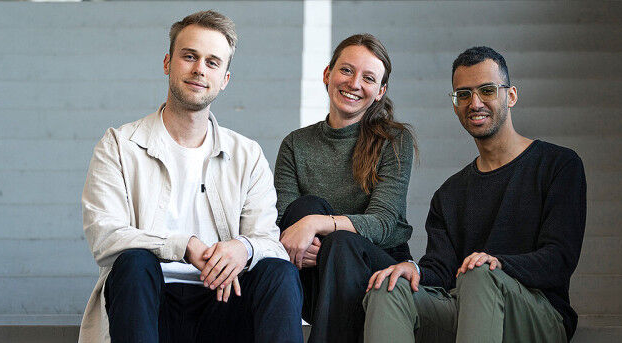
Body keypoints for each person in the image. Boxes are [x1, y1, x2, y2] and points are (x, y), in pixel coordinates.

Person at [78, 10, 302, 343]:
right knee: (134, 263)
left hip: (224, 304)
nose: (199, 69)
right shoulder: (119, 145)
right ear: (168, 62)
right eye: (190, 56)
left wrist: (243, 249)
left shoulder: (247, 154)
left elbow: (269, 242)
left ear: (224, 79)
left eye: (213, 62)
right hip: (149, 304)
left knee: (278, 271)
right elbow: (105, 237)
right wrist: (184, 246)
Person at [362, 46, 586, 342]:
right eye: (464, 94)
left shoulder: (558, 165)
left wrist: (496, 265)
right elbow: (441, 271)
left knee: (479, 274)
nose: (475, 103)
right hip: (470, 307)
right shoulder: (450, 193)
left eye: (487, 90)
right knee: (388, 288)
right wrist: (411, 268)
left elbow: (559, 259)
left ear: (511, 95)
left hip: (539, 314)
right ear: (455, 104)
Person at [273, 33, 418, 343]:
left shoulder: (394, 141)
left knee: (337, 240)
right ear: (328, 74)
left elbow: (381, 224)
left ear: (380, 92)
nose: (354, 83)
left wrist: (316, 225)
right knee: (302, 209)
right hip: (313, 273)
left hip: (377, 271)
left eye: (368, 78)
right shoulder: (295, 145)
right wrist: (308, 226)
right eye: (347, 70)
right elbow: (286, 221)